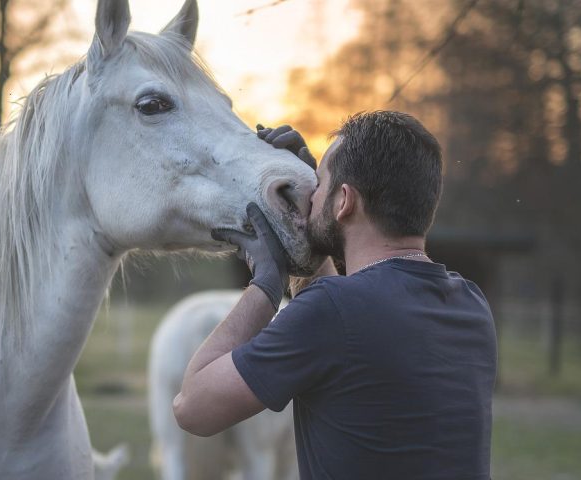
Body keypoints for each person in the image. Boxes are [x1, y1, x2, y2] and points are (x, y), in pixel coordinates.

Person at [172, 111, 497, 480]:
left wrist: (265, 284)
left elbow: (192, 407)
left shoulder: (333, 311)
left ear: (344, 202)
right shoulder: (471, 305)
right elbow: (345, 320)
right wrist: (308, 233)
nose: (310, 196)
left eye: (319, 183)